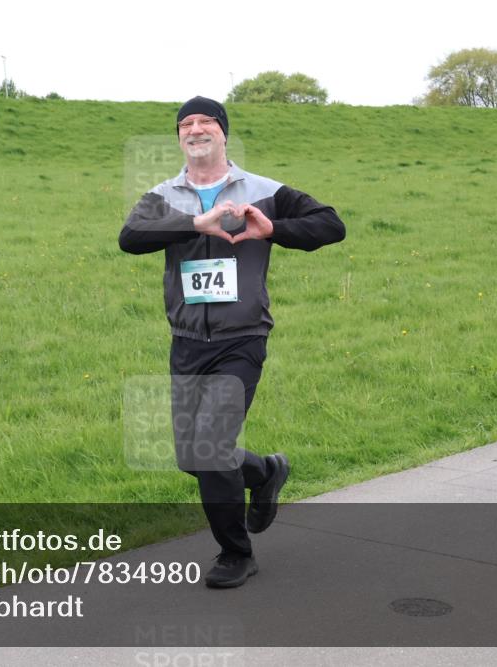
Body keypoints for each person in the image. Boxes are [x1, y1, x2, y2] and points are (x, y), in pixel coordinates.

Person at [118, 96, 346, 588]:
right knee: (190, 457)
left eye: (205, 122)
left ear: (223, 133)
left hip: (241, 338)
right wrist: (191, 223)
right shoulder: (163, 194)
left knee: (210, 446)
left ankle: (235, 553)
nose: (195, 129)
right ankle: (264, 472)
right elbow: (130, 237)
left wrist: (275, 228)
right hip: (185, 341)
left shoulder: (263, 190)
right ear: (180, 137)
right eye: (186, 124)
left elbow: (331, 224)